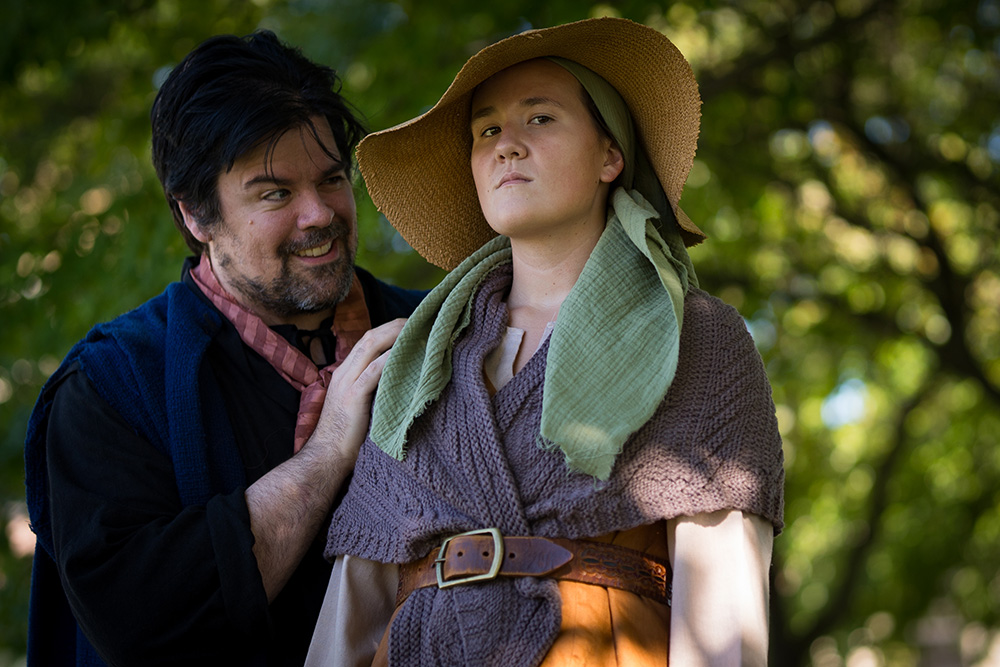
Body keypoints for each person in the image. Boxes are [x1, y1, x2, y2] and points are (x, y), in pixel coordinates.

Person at [307, 17, 785, 666]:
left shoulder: (697, 338)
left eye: (540, 119)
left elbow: (723, 628)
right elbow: (353, 606)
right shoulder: (422, 363)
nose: (506, 144)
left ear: (610, 156)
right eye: (486, 129)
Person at [23, 30, 426, 666]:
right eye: (275, 193)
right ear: (196, 216)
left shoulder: (434, 330)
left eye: (331, 179)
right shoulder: (111, 385)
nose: (319, 213)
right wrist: (326, 454)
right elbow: (142, 623)